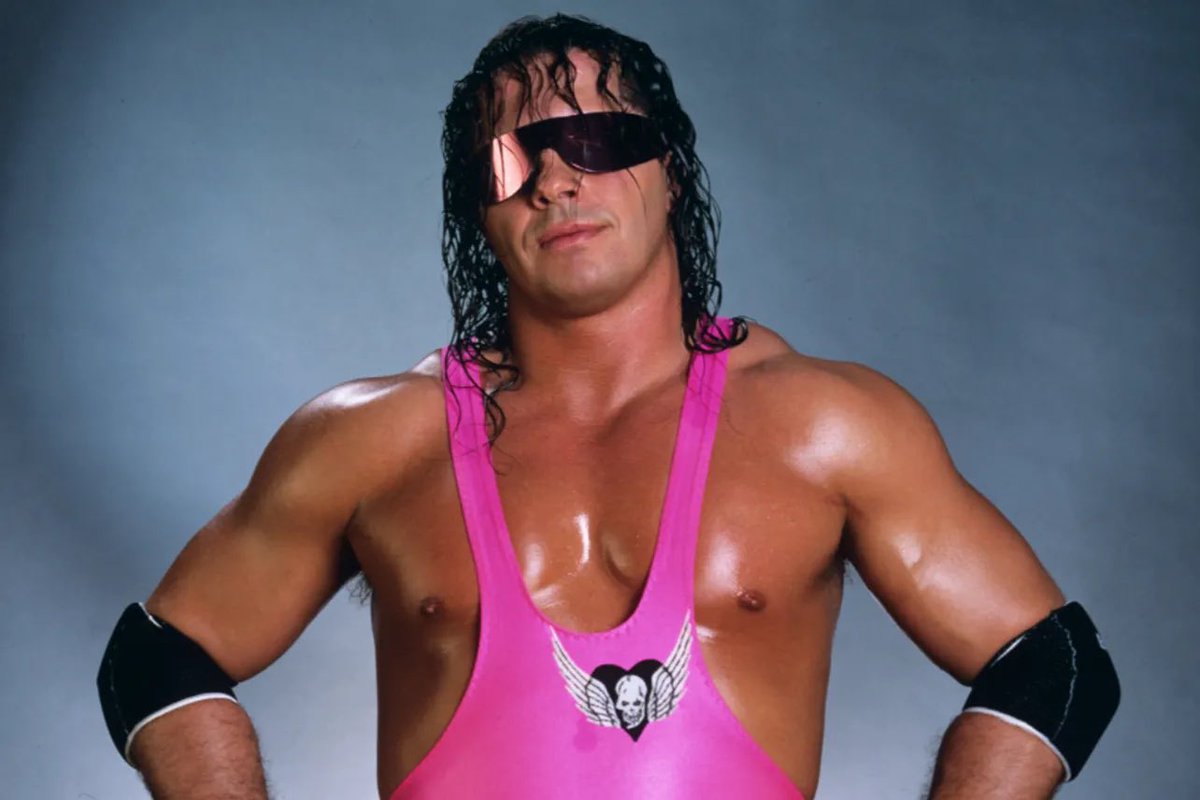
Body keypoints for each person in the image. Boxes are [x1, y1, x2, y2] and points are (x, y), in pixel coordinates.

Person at [96, 14, 1118, 800]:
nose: (552, 179)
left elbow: (1056, 664)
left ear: (669, 172)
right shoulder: (373, 439)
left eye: (592, 138)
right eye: (508, 160)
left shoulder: (821, 427)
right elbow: (157, 657)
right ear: (479, 211)